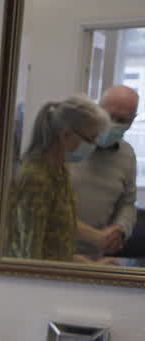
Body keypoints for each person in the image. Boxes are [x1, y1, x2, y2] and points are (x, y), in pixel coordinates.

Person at [8, 95, 110, 262]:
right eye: (90, 139)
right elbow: (28, 256)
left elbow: (58, 234)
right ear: (65, 135)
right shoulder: (36, 177)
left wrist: (89, 265)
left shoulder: (60, 171)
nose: (93, 146)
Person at [70, 85, 139, 261]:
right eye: (109, 115)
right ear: (96, 109)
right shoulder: (67, 144)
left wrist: (120, 229)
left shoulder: (128, 155)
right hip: (53, 254)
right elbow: (49, 209)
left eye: (122, 120)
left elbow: (128, 203)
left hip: (94, 257)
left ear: (132, 121)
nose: (113, 123)